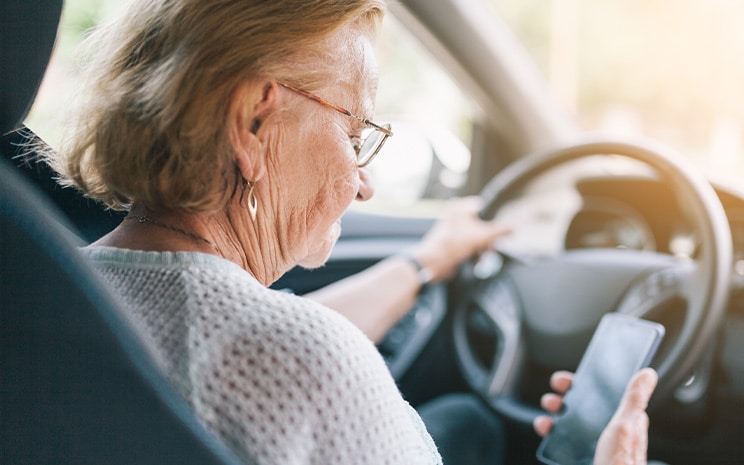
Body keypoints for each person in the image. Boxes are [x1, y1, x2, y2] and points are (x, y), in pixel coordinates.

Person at [44, 0, 657, 463]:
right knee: (472, 425)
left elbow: (245, 329)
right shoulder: (309, 371)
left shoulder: (51, 293)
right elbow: (291, 350)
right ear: (254, 122)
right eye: (356, 135)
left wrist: (429, 261)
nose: (363, 184)